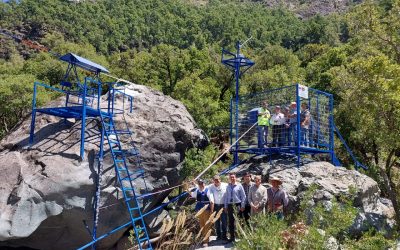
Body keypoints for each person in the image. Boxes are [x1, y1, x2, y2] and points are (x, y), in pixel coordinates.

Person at [191, 179, 214, 246]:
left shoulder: (208, 190)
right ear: (198, 184)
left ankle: (206, 241)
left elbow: (212, 201)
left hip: (206, 209)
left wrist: (211, 211)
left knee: (206, 224)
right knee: (201, 225)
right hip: (199, 209)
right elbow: (193, 195)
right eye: (200, 183)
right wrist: (187, 190)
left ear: (204, 183)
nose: (201, 184)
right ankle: (204, 238)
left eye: (202, 183)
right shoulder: (197, 190)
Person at [224, 173, 246, 242]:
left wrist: (242, 205)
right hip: (230, 205)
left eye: (233, 177)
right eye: (231, 177)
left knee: (239, 221)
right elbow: (226, 197)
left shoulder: (239, 186)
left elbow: (243, 196)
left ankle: (241, 237)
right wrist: (225, 206)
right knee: (231, 222)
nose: (232, 178)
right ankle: (232, 237)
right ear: (229, 178)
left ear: (235, 178)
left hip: (237, 205)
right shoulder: (227, 186)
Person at [207, 175, 228, 241]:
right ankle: (218, 236)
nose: (217, 181)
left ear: (220, 179)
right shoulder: (211, 186)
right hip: (215, 206)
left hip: (223, 205)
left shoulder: (225, 185)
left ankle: (224, 236)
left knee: (224, 221)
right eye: (215, 180)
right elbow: (202, 187)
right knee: (216, 222)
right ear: (213, 181)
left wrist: (226, 206)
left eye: (218, 179)